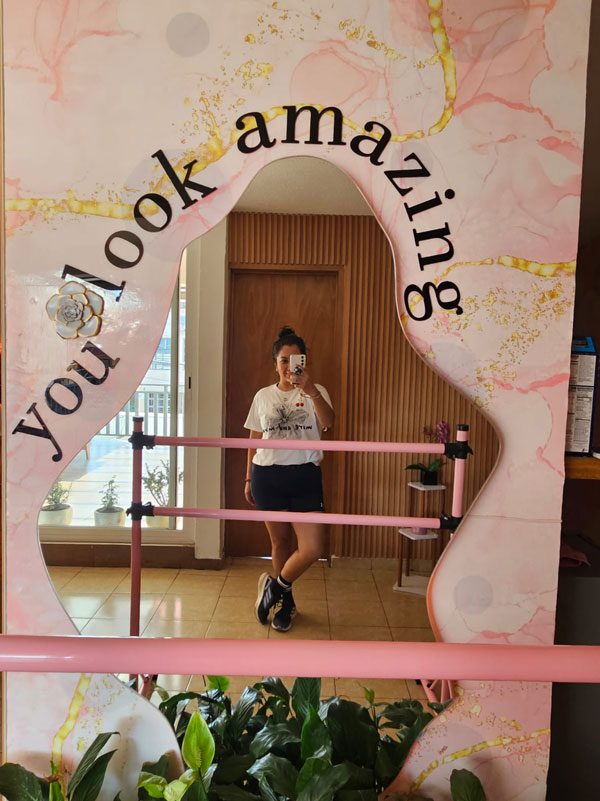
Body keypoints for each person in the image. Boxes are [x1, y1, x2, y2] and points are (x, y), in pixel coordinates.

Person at [244, 327, 334, 632]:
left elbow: (329, 423)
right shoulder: (263, 396)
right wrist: (247, 478)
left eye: (296, 360)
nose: (289, 366)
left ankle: (274, 587)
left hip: (305, 475)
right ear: (275, 364)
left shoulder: (316, 391)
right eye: (283, 360)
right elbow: (253, 439)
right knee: (280, 541)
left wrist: (310, 391)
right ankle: (286, 604)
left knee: (313, 548)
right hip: (267, 475)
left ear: (304, 362)